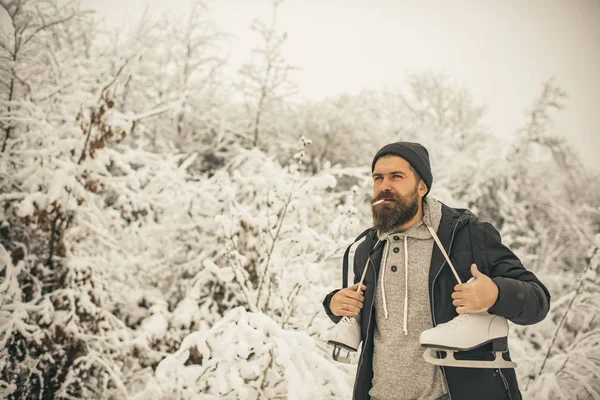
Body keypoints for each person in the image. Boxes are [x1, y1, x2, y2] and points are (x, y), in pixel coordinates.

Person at [322, 142, 550, 400]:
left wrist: (495, 294)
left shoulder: (467, 237)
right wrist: (335, 304)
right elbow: (375, 322)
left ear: (422, 186)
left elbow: (538, 300)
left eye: (396, 176)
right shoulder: (369, 248)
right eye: (378, 178)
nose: (384, 185)